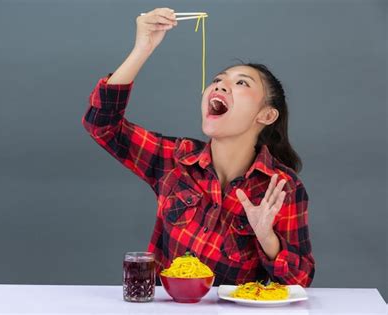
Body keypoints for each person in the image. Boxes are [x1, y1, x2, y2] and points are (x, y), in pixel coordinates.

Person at [82, 7, 315, 287]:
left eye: (241, 83)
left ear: (265, 115)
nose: (220, 86)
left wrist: (267, 238)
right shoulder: (174, 160)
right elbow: (102, 125)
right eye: (217, 80)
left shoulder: (282, 188)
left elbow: (299, 280)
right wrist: (142, 49)